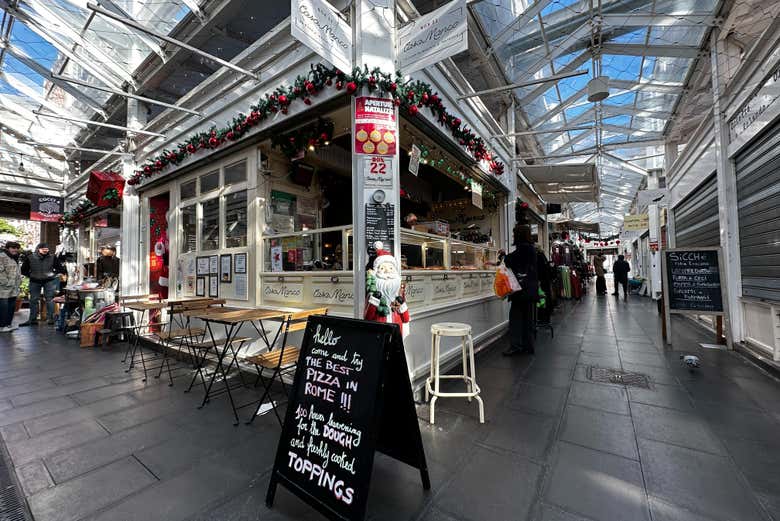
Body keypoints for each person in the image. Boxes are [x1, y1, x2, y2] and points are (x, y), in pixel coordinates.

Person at [503, 225, 539, 356]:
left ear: (519, 235)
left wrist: (504, 255)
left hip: (522, 290)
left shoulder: (523, 248)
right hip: (529, 289)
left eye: (514, 234)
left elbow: (510, 260)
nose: (513, 236)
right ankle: (528, 346)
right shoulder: (531, 248)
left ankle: (516, 346)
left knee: (516, 317)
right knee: (527, 318)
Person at [20, 243, 66, 326]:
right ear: (38, 249)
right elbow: (23, 269)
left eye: (47, 249)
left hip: (49, 281)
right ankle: (32, 319)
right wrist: (31, 275)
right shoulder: (30, 257)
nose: (45, 250)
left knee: (50, 299)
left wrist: (54, 274)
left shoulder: (52, 257)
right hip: (34, 281)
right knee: (33, 300)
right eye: (43, 249)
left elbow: (60, 268)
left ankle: (50, 319)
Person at [0, 241, 22, 332]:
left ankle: (8, 324)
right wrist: (5, 282)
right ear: (8, 248)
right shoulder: (2, 257)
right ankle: (2, 326)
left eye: (17, 248)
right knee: (3, 306)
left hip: (14, 287)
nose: (15, 250)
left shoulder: (15, 257)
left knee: (11, 306)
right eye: (13, 248)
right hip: (3, 287)